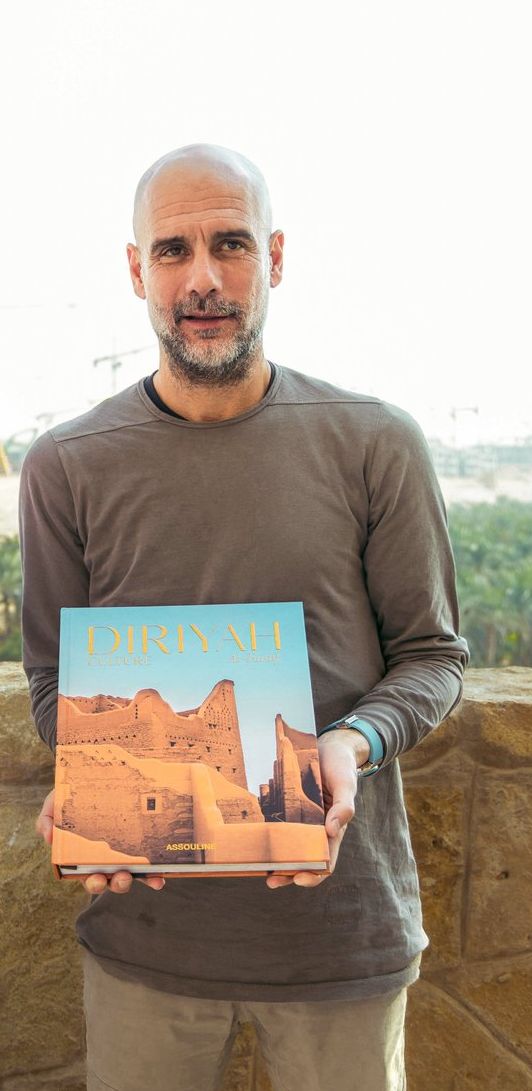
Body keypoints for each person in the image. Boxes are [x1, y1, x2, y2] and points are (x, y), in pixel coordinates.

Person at [19, 142, 468, 1091]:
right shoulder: (66, 465)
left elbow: (432, 656)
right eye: (173, 250)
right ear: (137, 270)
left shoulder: (375, 441)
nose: (204, 278)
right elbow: (56, 680)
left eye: (231, 243)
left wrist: (348, 744)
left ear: (276, 257)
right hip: (141, 938)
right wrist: (94, 778)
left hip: (342, 936)